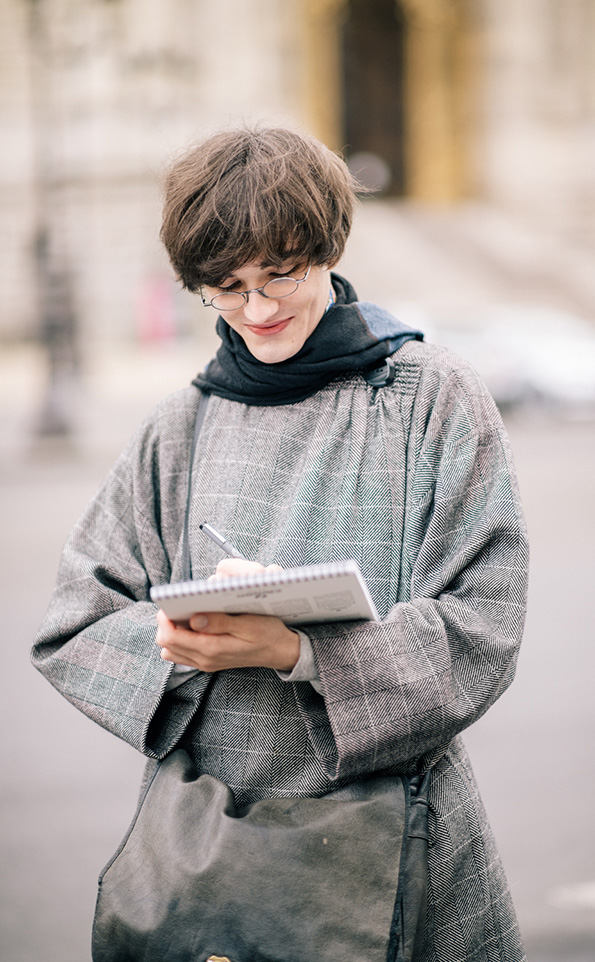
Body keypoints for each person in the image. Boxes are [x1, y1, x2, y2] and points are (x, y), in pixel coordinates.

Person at [32, 125, 529, 961]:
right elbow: (74, 621)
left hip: (405, 840)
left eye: (280, 274)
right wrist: (186, 643)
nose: (257, 311)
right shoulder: (179, 424)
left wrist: (299, 650)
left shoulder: (432, 397)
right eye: (225, 288)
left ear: (328, 247)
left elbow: (484, 624)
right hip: (209, 847)